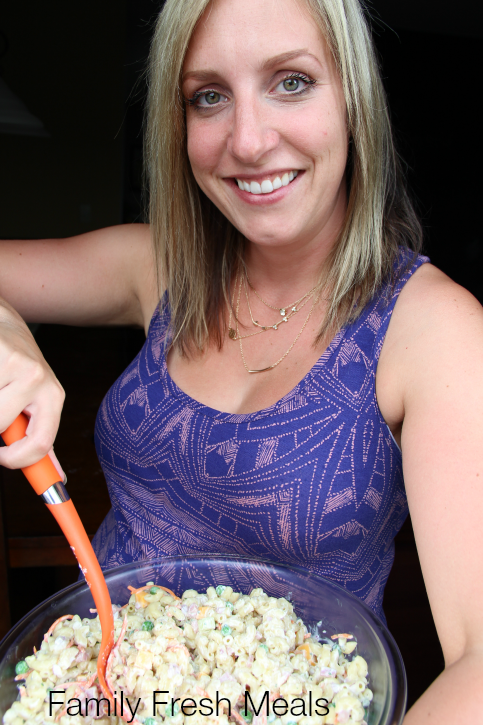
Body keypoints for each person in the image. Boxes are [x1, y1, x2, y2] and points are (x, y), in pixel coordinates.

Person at [1, 0, 482, 719]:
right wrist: (8, 336)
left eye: (290, 81)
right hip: (97, 686)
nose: (248, 141)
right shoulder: (159, 263)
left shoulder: (433, 327)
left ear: (353, 96)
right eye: (208, 96)